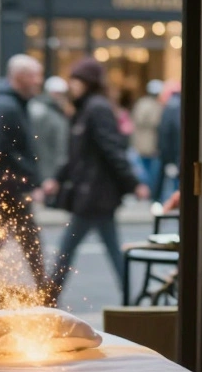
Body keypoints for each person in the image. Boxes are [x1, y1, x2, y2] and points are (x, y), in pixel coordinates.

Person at [43, 58, 149, 306]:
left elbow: (112, 149)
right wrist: (57, 179)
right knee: (108, 250)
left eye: (76, 80)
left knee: (67, 249)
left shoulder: (96, 109)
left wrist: (134, 183)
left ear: (88, 83)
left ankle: (48, 300)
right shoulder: (85, 109)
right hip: (92, 194)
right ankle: (131, 300)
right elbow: (75, 155)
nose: (72, 85)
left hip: (95, 194)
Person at [0, 55, 50, 296]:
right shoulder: (7, 107)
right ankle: (44, 290)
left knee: (3, 235)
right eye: (35, 76)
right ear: (20, 77)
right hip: (10, 187)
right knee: (28, 238)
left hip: (6, 185)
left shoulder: (8, 104)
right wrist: (29, 179)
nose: (38, 82)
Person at [27, 75, 70, 183]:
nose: (60, 97)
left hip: (56, 172)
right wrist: (46, 177)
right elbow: (39, 146)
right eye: (57, 93)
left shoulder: (58, 112)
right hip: (47, 173)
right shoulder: (40, 112)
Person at [131, 79, 164, 188]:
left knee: (144, 166)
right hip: (149, 142)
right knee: (147, 168)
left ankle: (144, 187)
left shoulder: (142, 103)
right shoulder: (154, 105)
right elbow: (156, 122)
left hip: (143, 141)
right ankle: (146, 188)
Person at [157, 80, 182, 203]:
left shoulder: (170, 107)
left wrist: (168, 159)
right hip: (179, 158)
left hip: (173, 158)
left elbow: (165, 134)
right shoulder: (180, 106)